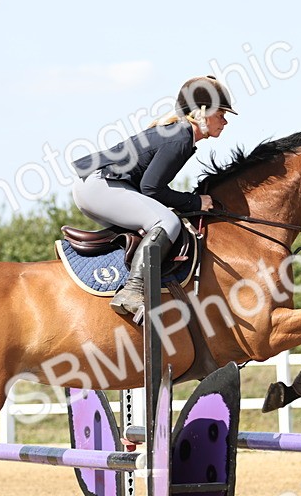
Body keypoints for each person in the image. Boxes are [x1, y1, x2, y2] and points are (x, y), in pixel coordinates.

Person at [71, 75, 236, 319]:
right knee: (166, 222)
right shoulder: (180, 137)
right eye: (221, 113)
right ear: (202, 113)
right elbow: (152, 189)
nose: (225, 121)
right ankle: (133, 291)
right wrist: (196, 202)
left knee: (153, 224)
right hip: (100, 185)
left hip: (95, 185)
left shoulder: (179, 134)